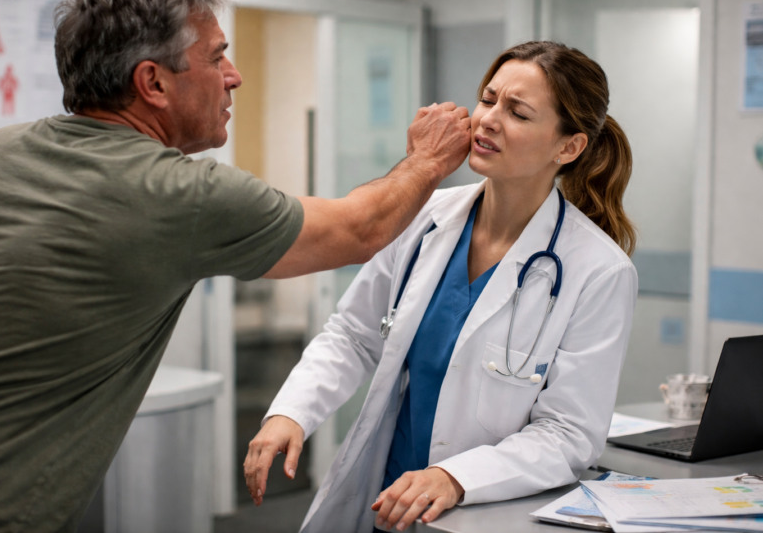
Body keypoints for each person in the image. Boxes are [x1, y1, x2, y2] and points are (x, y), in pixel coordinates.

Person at [0, 0, 471, 532]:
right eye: (217, 57)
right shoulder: (177, 193)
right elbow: (360, 230)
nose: (233, 76)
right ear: (153, 83)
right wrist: (429, 160)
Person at [246, 41, 639, 532]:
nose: (488, 120)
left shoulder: (599, 270)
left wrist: (455, 477)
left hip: (480, 509)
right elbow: (353, 334)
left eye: (517, 112)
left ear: (569, 146)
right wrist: (292, 411)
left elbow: (568, 434)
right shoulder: (424, 217)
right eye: (488, 99)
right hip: (386, 500)